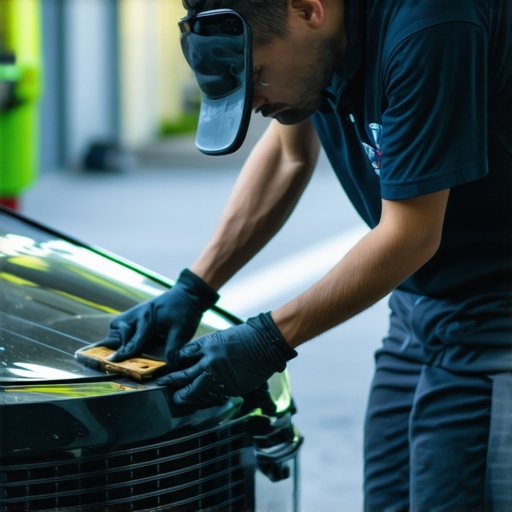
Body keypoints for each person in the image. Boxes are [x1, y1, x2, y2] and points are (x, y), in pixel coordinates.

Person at [101, 0, 512, 509]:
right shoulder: (311, 49)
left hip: (496, 317)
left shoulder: (432, 24)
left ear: (308, 9)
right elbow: (288, 154)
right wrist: (194, 289)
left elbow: (411, 234)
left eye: (258, 77)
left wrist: (265, 341)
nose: (253, 105)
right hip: (417, 308)